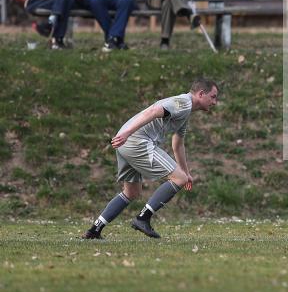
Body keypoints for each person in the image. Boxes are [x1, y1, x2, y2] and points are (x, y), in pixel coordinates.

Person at [81, 78, 219, 240]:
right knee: (177, 178)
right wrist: (127, 134)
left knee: (131, 192)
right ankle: (142, 218)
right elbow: (153, 111)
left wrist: (186, 173)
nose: (215, 102)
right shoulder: (184, 103)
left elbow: (178, 144)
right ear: (201, 94)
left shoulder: (185, 112)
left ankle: (94, 230)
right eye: (213, 97)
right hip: (135, 140)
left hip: (126, 140)